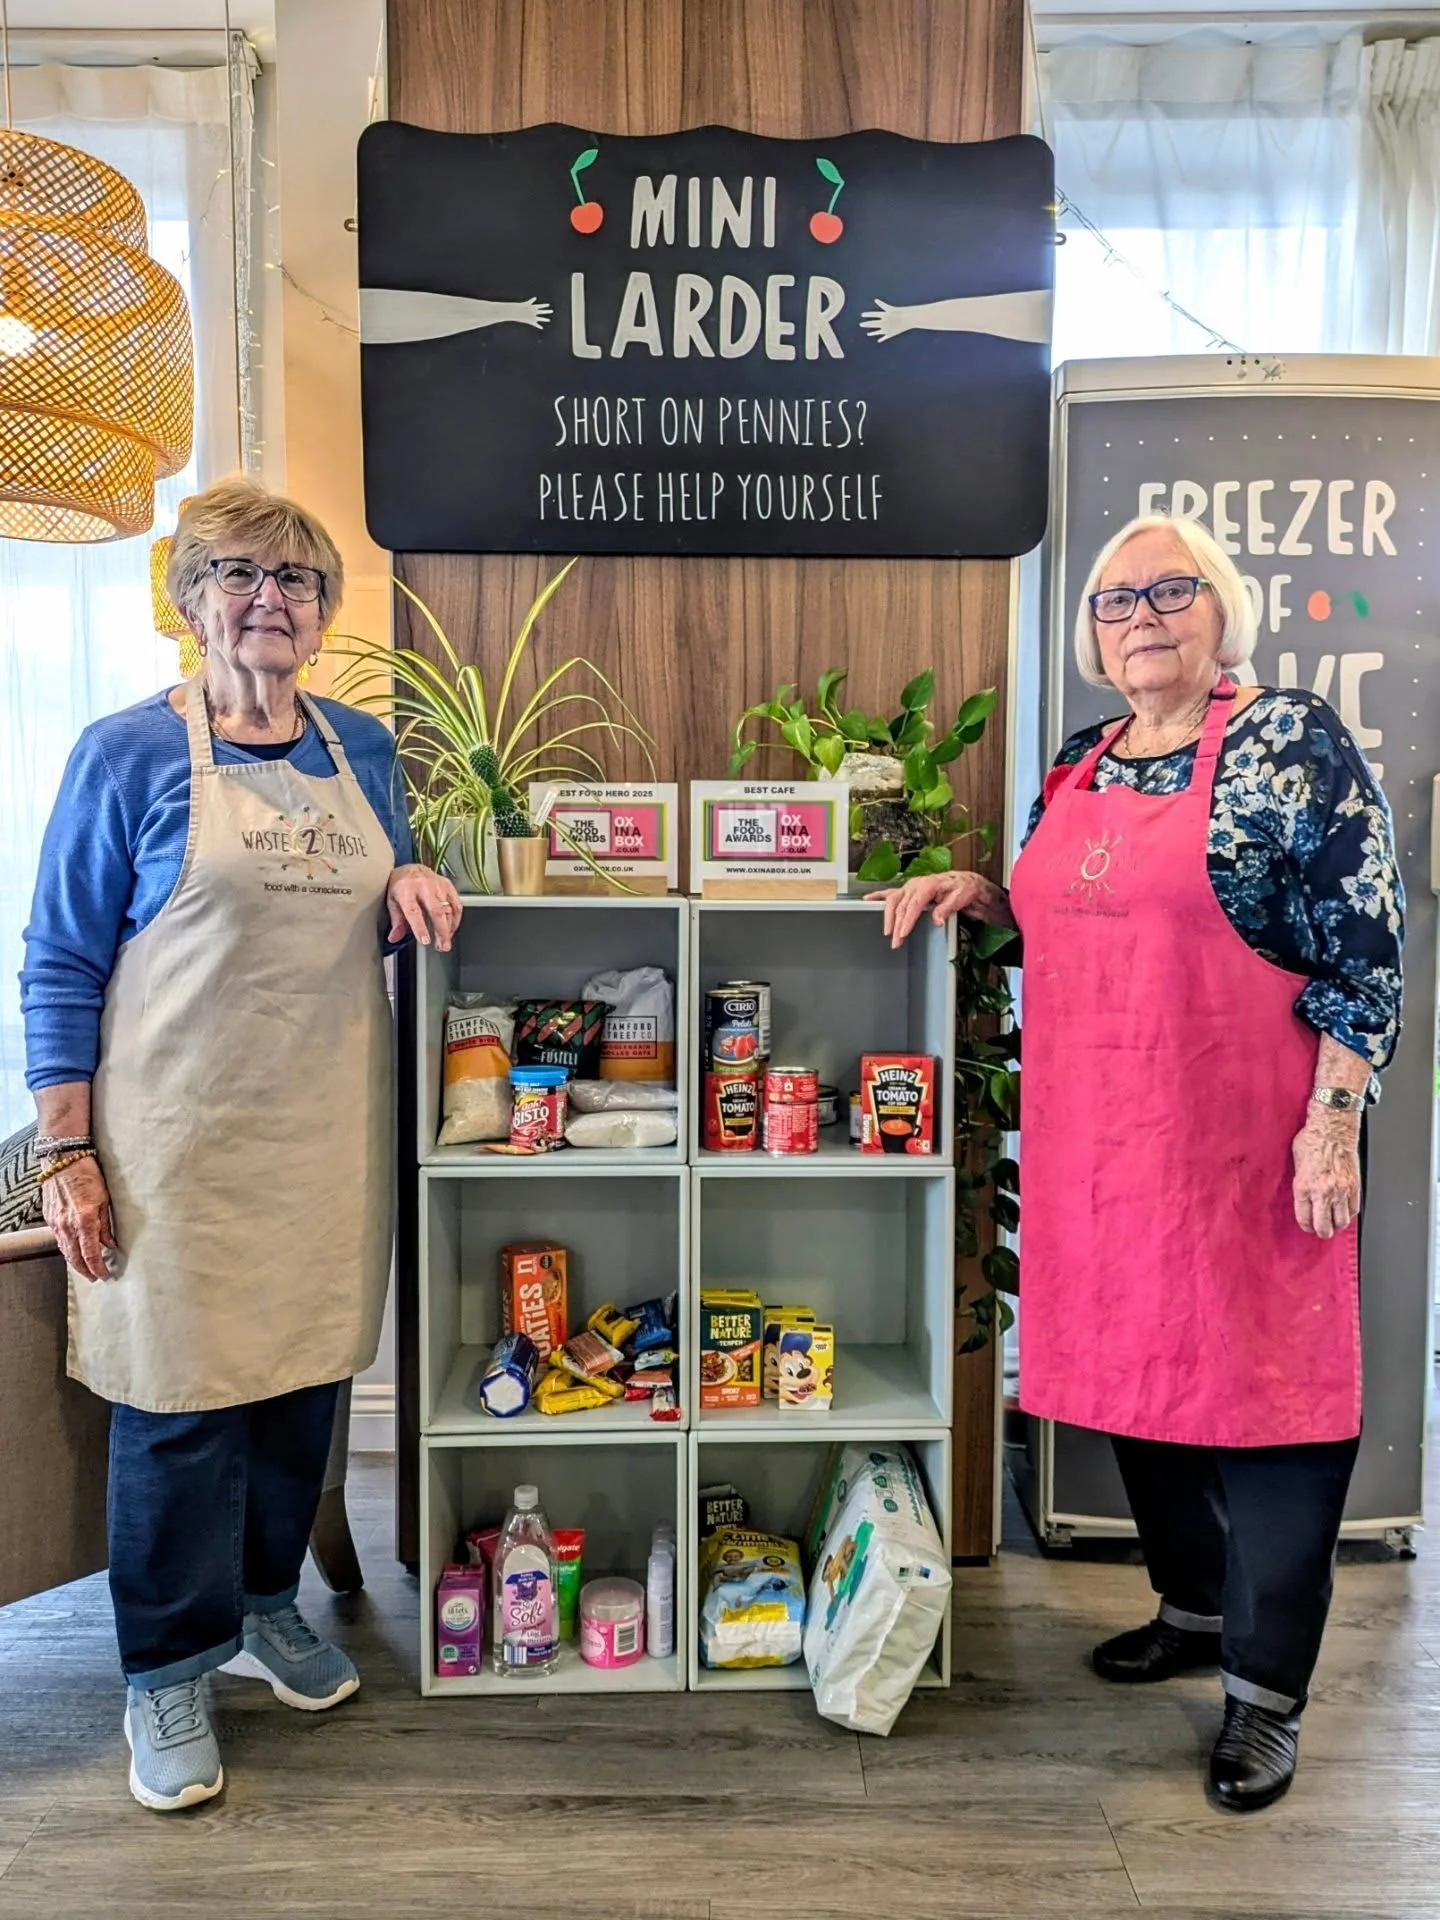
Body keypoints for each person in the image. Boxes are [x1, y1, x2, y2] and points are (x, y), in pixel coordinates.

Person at [876, 513, 1403, 1813]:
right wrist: (980, 894)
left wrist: (1336, 1110)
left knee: (1273, 1410)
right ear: (1093, 635)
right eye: (1117, 601)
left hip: (1249, 1142)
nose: (1144, 615)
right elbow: (1078, 895)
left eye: (1173, 591)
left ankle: (1265, 1698)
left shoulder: (1288, 740)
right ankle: (1194, 1607)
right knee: (1137, 1380)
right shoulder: (1079, 757)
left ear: (1221, 611)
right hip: (1102, 1141)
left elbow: (1365, 946)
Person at [20, 478, 462, 1813]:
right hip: (174, 1143)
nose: (268, 599)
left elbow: (379, 888)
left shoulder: (364, 751)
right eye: (237, 576)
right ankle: (165, 1667)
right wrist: (67, 1148)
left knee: (302, 1386)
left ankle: (267, 1605)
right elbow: (58, 958)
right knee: (177, 1405)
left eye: (294, 580)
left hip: (323, 1130)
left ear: (322, 614)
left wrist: (408, 878)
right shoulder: (125, 756)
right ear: (189, 601)